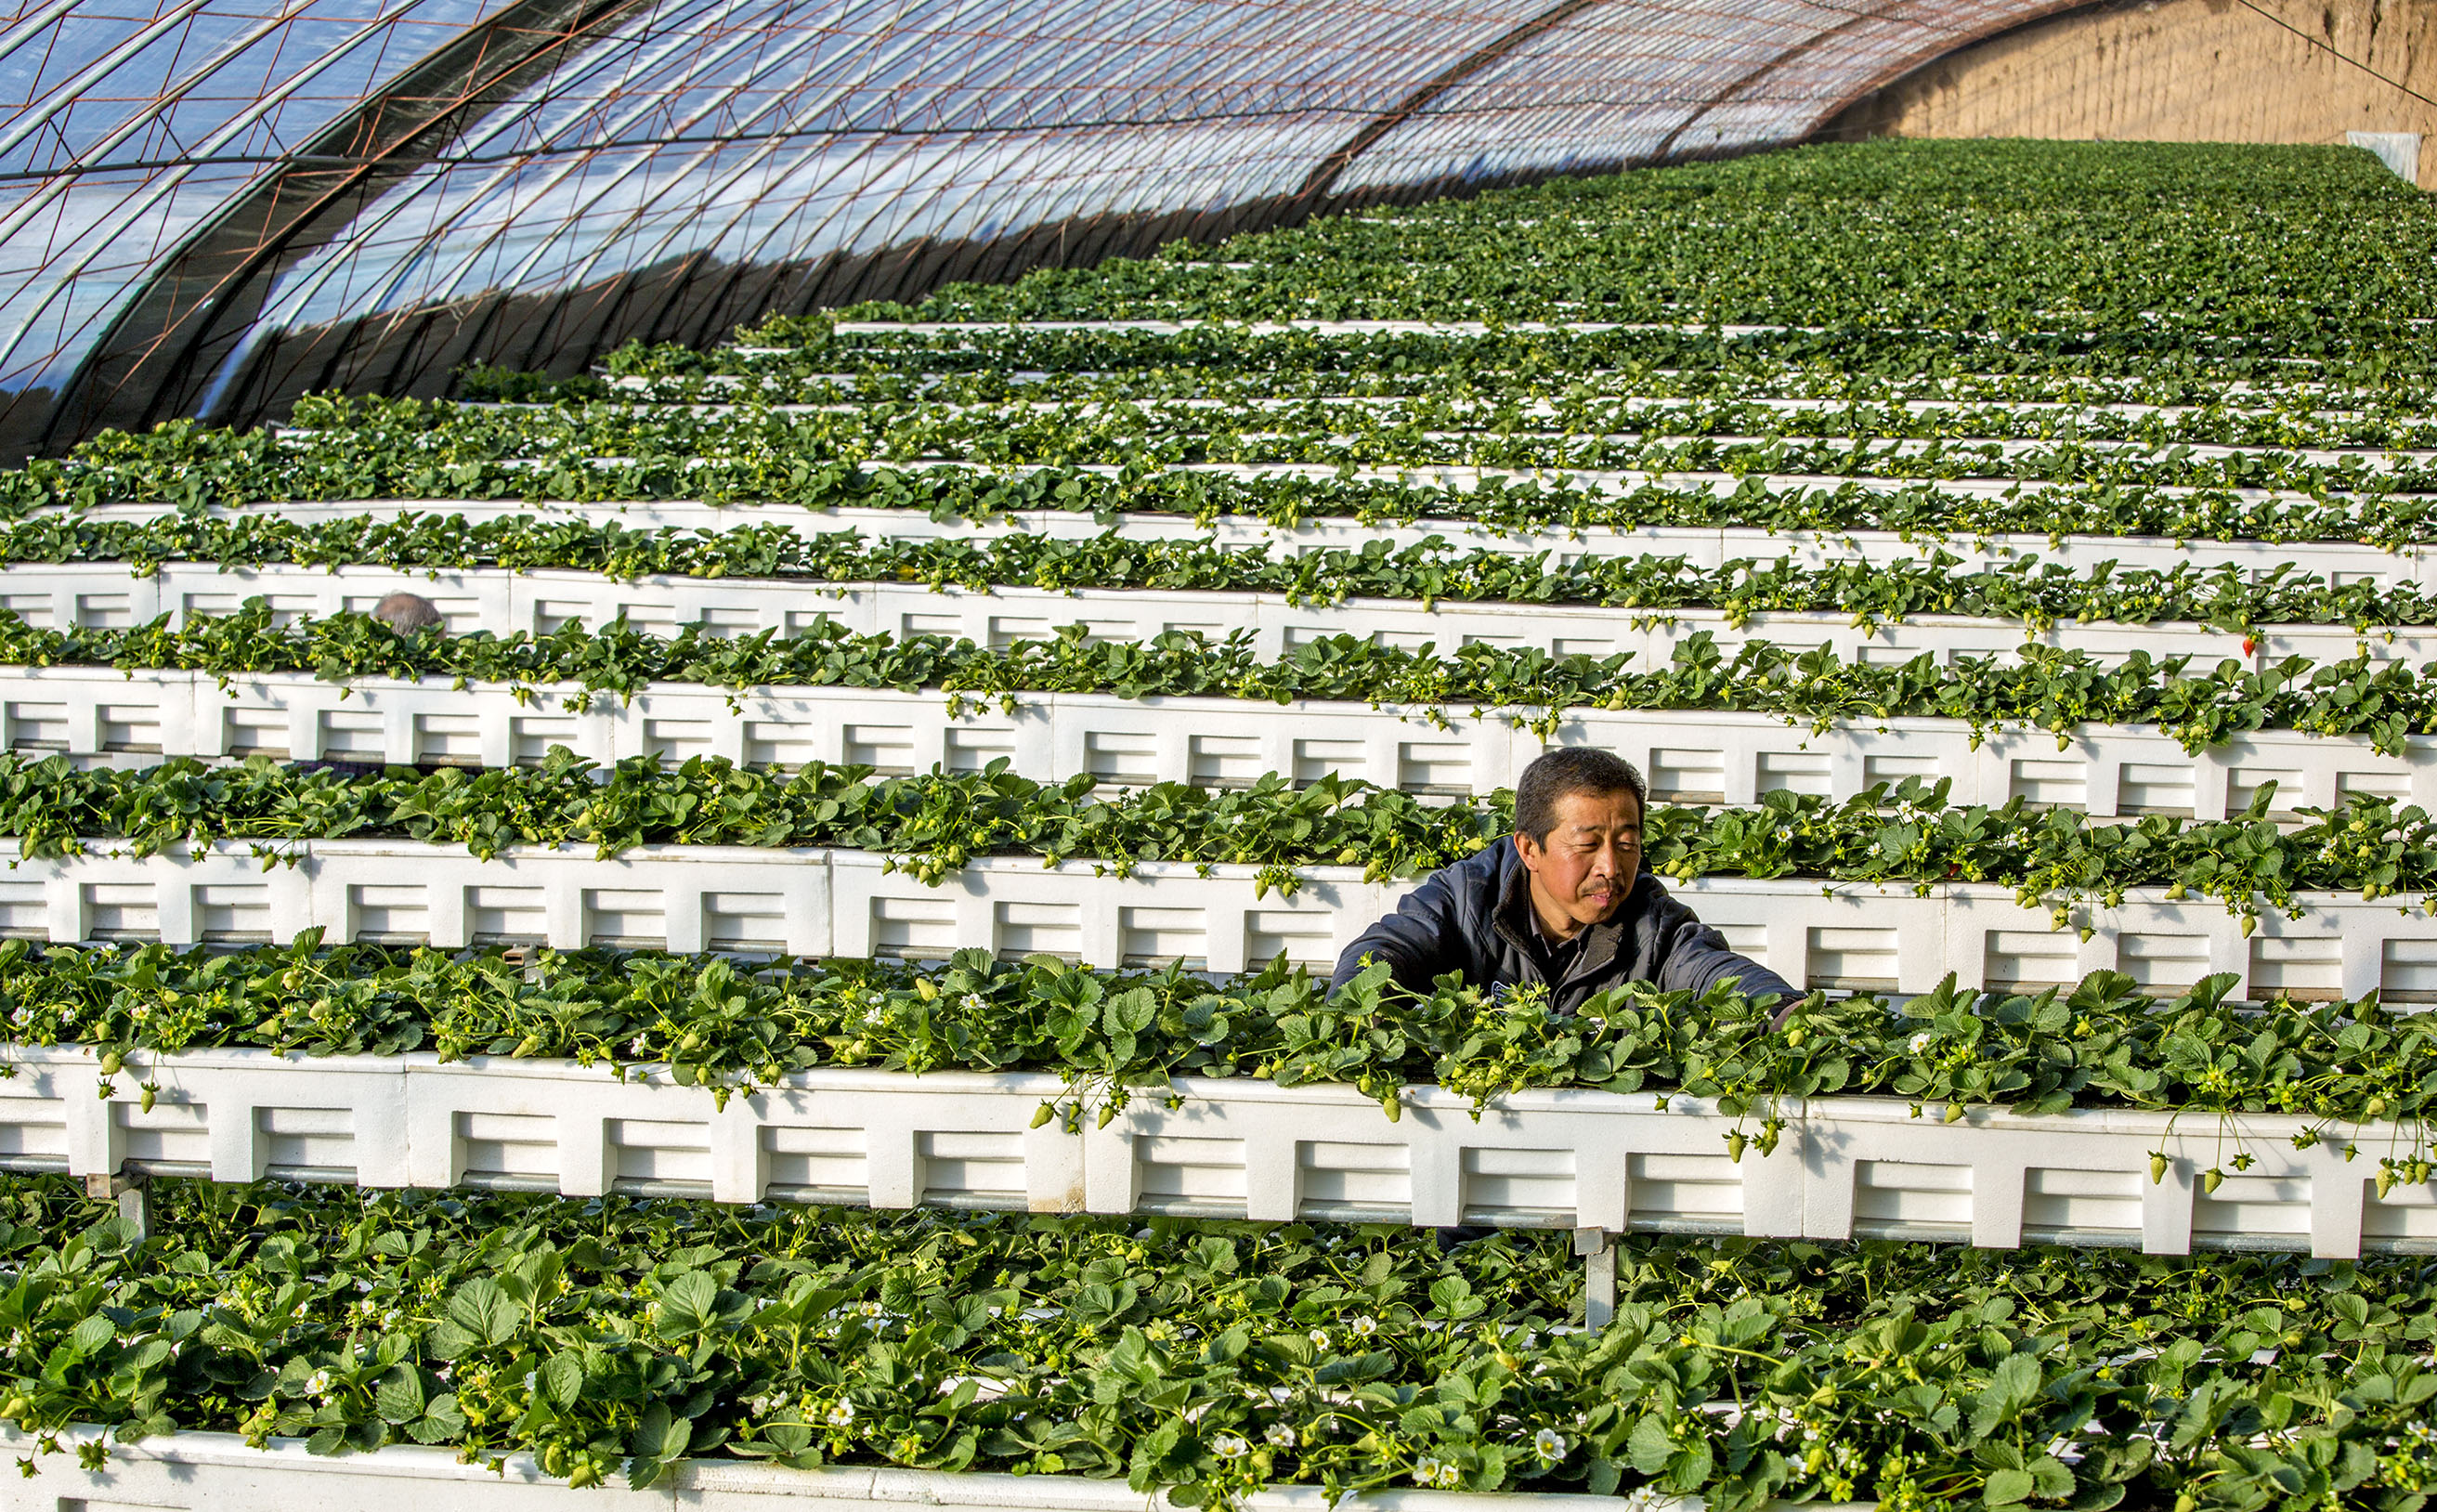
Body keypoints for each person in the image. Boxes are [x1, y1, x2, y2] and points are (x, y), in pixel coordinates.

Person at [1329, 746, 1795, 1012]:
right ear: (1529, 849)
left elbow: (1714, 971)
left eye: (1627, 843)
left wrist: (1782, 1011)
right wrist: (1363, 1012)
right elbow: (1385, 950)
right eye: (1587, 844)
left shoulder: (1655, 926)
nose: (1610, 867)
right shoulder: (1465, 899)